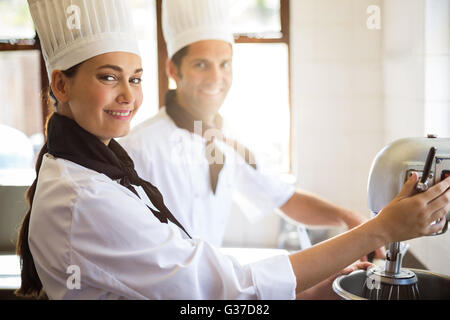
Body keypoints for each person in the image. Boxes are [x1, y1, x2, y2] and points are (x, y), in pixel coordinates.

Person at [16, 0, 450, 300]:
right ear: (60, 84)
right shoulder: (104, 180)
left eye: (135, 78)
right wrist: (378, 230)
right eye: (108, 77)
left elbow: (279, 200)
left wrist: (345, 232)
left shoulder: (207, 143)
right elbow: (211, 287)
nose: (127, 94)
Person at [119, 0, 384, 258]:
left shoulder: (228, 139)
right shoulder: (138, 146)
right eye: (201, 64)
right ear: (173, 70)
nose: (216, 77)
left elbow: (284, 198)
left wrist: (350, 219)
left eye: (224, 64)